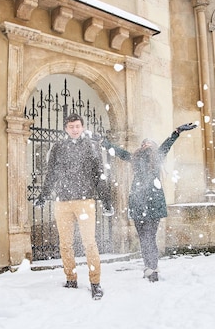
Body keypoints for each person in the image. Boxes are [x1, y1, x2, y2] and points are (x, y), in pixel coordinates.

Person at [101, 122, 197, 282]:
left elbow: (167, 145)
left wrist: (177, 132)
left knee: (149, 237)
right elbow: (120, 153)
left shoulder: (158, 156)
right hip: (138, 203)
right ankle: (149, 266)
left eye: (149, 143)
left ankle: (152, 269)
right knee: (143, 237)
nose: (145, 144)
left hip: (153, 204)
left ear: (154, 147)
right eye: (143, 143)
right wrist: (104, 143)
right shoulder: (134, 158)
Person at [34, 113, 112, 300]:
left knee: (89, 243)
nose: (75, 129)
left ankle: (95, 282)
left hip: (85, 201)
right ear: (66, 129)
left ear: (82, 127)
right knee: (65, 244)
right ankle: (71, 278)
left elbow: (99, 175)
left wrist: (107, 201)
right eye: (71, 127)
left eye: (77, 126)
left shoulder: (91, 146)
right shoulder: (58, 148)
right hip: (62, 201)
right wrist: (44, 195)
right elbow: (51, 174)